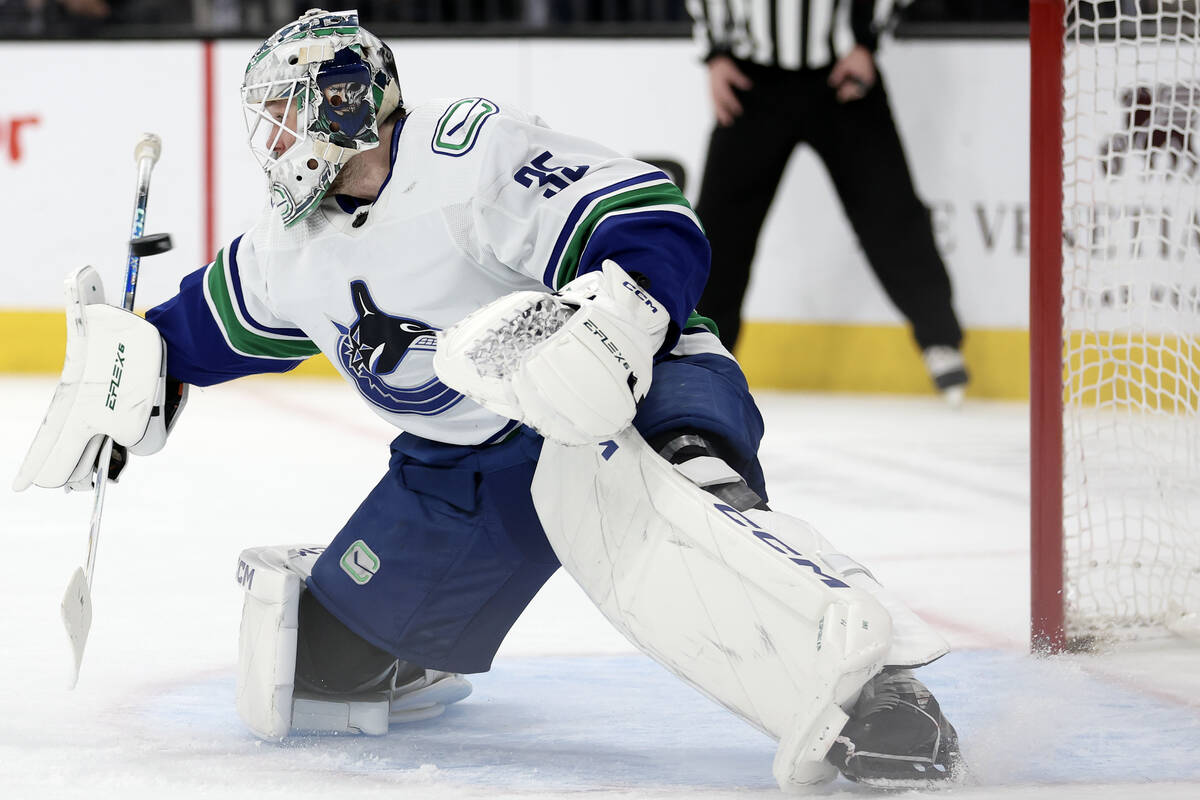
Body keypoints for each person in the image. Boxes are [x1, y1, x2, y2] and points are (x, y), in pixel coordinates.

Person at [15, 9, 963, 790]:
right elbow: (198, 331)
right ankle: (419, 636)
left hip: (618, 400)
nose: (270, 144)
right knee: (318, 672)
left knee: (695, 512)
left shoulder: (470, 155)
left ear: (342, 105)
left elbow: (654, 223)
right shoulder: (286, 246)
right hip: (463, 469)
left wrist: (610, 333)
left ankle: (880, 688)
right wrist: (129, 380)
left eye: (284, 116)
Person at [687, 0, 969, 402]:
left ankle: (940, 337)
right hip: (752, 76)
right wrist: (715, 54)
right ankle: (701, 358)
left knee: (889, 210)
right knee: (721, 228)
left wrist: (867, 43)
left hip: (842, 74)